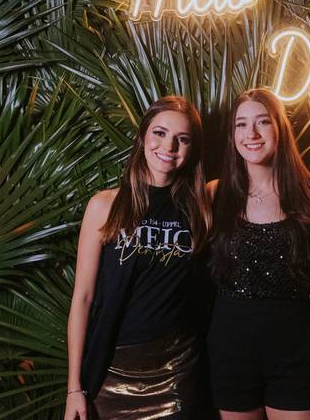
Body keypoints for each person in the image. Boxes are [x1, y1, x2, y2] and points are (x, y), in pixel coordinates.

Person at [64, 96, 211, 420]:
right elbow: (83, 299)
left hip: (176, 369)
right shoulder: (105, 206)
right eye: (159, 133)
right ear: (143, 136)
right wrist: (74, 387)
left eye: (182, 139)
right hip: (112, 369)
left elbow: (259, 176)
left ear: (192, 149)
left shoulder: (201, 207)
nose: (168, 146)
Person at [206, 88, 310, 420]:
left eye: (262, 122)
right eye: (241, 124)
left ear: (280, 129)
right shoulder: (215, 194)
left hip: (296, 351)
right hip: (230, 350)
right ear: (232, 135)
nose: (250, 134)